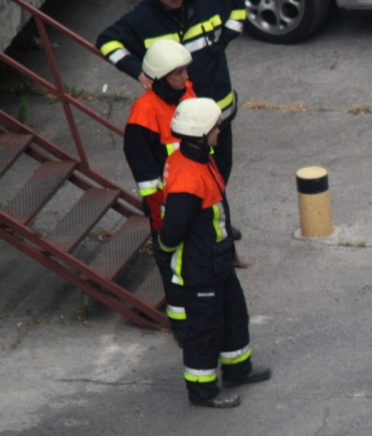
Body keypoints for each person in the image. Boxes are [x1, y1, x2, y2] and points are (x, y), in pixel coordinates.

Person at [158, 98, 269, 408]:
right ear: (199, 134)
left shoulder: (198, 159)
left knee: (234, 314)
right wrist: (170, 253)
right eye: (215, 126)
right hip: (200, 265)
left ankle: (237, 369)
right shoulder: (188, 179)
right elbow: (172, 232)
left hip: (216, 258)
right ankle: (202, 390)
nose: (219, 130)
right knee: (204, 331)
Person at [98, 0, 245, 184]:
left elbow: (238, 4)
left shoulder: (209, 3)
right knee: (191, 182)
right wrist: (138, 71)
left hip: (219, 116)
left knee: (220, 174)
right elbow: (107, 42)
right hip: (185, 127)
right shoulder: (142, 19)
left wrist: (227, 35)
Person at [124, 40, 195, 339]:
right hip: (167, 206)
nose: (185, 77)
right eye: (177, 72)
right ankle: (181, 324)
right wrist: (162, 219)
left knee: (195, 261)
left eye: (184, 70)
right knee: (173, 268)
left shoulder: (187, 92)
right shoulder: (143, 118)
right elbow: (148, 181)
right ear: (160, 77)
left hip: (194, 197)